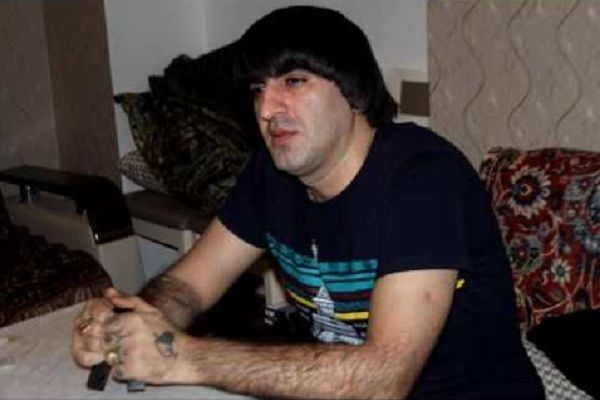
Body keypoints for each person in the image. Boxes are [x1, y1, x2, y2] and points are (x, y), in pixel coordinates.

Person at [72, 6, 544, 399]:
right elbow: (187, 285)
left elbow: (383, 380)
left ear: (354, 92)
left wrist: (183, 357)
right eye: (258, 89)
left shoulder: (425, 179)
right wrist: (132, 323)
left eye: (294, 81)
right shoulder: (270, 174)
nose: (266, 108)